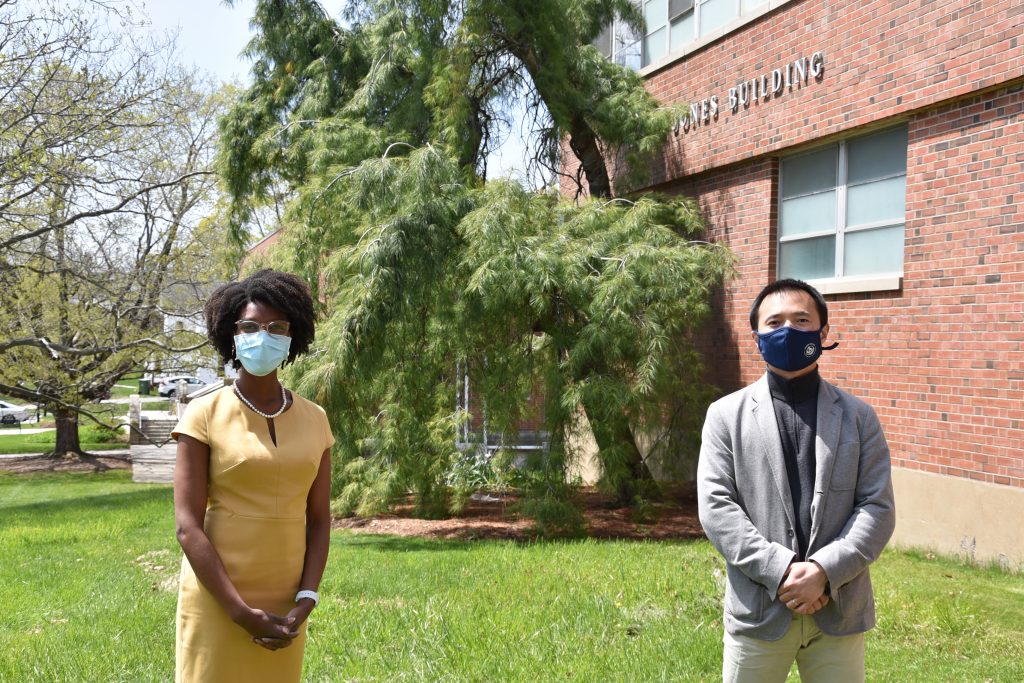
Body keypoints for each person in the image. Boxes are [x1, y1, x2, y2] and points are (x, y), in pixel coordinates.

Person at [697, 278, 895, 683]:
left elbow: (877, 508)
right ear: (756, 337)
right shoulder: (724, 415)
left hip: (837, 608)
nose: (788, 329)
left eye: (802, 319)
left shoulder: (859, 417)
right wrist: (782, 571)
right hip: (759, 609)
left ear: (823, 332)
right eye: (774, 322)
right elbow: (717, 508)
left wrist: (823, 569)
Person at [172, 269, 334, 682]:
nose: (263, 336)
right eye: (250, 326)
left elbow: (318, 520)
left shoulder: (316, 419)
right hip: (218, 595)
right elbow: (188, 527)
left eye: (276, 327)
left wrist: (307, 598)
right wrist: (239, 612)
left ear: (293, 337)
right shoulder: (203, 413)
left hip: (286, 600)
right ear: (232, 334)